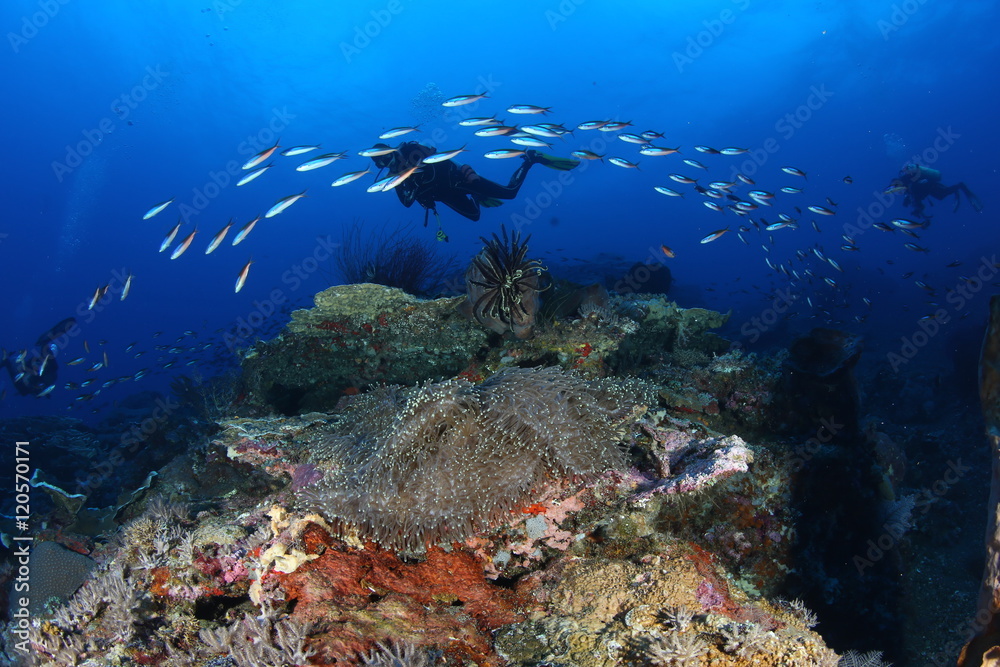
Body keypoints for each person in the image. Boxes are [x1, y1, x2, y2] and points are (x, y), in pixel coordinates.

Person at [370, 141, 579, 239]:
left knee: (510, 192)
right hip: (445, 196)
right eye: (382, 164)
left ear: (392, 151)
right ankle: (479, 196)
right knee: (475, 216)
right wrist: (402, 182)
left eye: (388, 157)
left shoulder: (411, 151)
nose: (388, 164)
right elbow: (406, 203)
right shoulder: (395, 177)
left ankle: (531, 159)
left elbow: (440, 157)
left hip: (460, 180)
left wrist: (464, 169)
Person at [895, 163, 983, 222]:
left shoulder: (907, 183)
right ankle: (957, 188)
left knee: (943, 193)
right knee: (942, 195)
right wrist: (918, 211)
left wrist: (918, 209)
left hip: (930, 186)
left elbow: (916, 197)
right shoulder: (907, 187)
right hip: (928, 189)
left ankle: (960, 186)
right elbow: (917, 200)